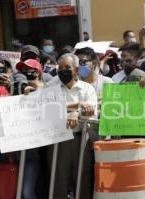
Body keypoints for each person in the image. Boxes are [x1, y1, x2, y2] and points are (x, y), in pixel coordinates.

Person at [48, 53, 97, 199]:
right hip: (58, 140)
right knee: (58, 181)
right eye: (60, 68)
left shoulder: (87, 89)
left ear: (76, 69)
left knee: (83, 180)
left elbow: (92, 111)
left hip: (81, 139)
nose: (63, 70)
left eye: (67, 67)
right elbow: (48, 108)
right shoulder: (51, 87)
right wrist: (76, 109)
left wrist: (76, 113)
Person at [16, 59, 45, 199]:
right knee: (22, 191)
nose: (27, 72)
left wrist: (37, 92)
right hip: (23, 150)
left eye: (30, 69)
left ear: (39, 71)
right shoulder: (16, 89)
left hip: (46, 149)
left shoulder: (49, 88)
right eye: (23, 70)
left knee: (32, 190)